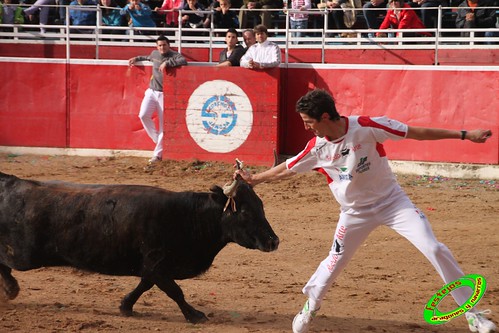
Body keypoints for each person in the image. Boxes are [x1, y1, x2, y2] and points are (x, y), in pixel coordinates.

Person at [235, 89, 497, 333]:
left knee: (435, 248)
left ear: (325, 116)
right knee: (334, 263)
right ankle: (311, 305)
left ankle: (472, 313)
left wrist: (464, 135)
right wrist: (254, 179)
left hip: (393, 203)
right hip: (354, 213)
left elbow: (415, 132)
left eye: (308, 121)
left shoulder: (367, 126)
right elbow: (285, 169)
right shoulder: (317, 147)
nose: (306, 127)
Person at [128, 35, 187, 164]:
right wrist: (136, 58)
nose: (162, 47)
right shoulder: (154, 53)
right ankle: (158, 141)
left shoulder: (174, 55)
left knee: (162, 125)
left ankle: (157, 155)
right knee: (143, 115)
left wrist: (167, 62)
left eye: (164, 45)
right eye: (159, 45)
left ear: (169, 45)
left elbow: (183, 60)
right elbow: (147, 58)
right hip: (152, 91)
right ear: (156, 46)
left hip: (165, 94)